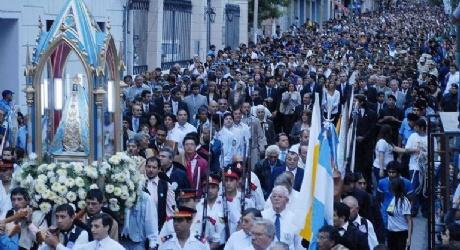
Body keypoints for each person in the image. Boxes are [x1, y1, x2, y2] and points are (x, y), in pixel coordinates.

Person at [144, 156, 176, 230]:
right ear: (145, 167)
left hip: (159, 227)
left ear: (159, 169)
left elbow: (170, 210)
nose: (151, 170)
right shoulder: (139, 183)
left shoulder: (166, 185)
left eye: (154, 167)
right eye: (149, 167)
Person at [386, 178, 412, 250]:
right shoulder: (393, 198)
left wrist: (409, 238)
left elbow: (409, 221)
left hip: (401, 233)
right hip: (391, 232)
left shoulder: (404, 202)